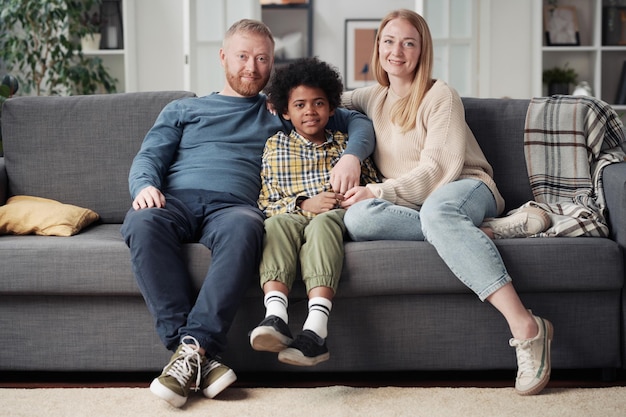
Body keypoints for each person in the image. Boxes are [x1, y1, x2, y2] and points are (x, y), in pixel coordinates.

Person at [120, 19, 374, 408]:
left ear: (272, 64)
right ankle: (196, 353)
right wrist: (145, 187)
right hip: (176, 200)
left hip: (235, 208)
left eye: (261, 59)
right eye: (242, 56)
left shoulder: (282, 108)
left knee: (248, 228)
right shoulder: (184, 109)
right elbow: (149, 156)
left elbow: (356, 119)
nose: (252, 68)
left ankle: (189, 355)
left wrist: (353, 156)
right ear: (223, 57)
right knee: (141, 220)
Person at [340, 9, 553, 396]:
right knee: (357, 219)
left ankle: (527, 326)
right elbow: (321, 97)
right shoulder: (372, 97)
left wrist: (378, 191)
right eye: (388, 41)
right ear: (377, 48)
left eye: (408, 42)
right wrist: (278, 104)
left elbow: (436, 170)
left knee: (438, 211)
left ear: (422, 51)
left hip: (464, 186)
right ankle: (483, 233)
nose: (396, 51)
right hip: (421, 207)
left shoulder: (441, 96)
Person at [249, 57, 380, 367]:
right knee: (277, 225)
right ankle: (276, 316)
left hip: (334, 218)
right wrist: (303, 204)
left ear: (332, 107)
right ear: (284, 111)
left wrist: (352, 197)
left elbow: (372, 186)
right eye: (300, 105)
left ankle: (316, 331)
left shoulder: (345, 146)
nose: (310, 111)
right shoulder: (275, 147)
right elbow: (266, 201)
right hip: (292, 215)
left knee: (322, 226)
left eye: (319, 103)